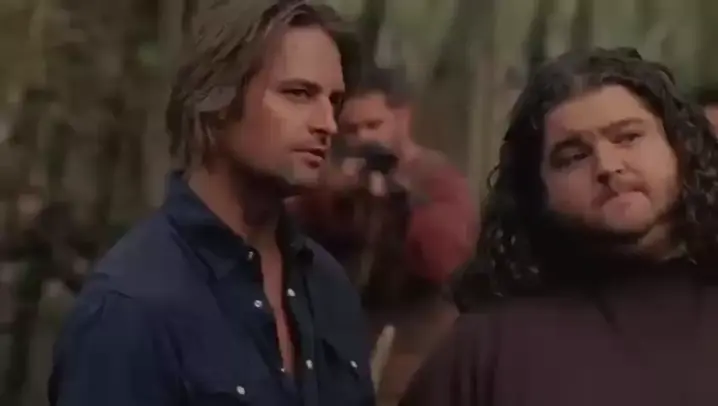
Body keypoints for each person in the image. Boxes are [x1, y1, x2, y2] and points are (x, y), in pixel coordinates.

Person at [48, 1, 375, 405]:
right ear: (218, 100)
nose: (327, 123)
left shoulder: (329, 288)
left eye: (334, 101)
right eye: (298, 93)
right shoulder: (130, 306)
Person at [400, 47, 718, 406]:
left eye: (628, 137)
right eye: (573, 156)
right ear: (538, 190)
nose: (607, 165)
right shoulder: (488, 349)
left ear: (680, 147)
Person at [290, 66, 477, 404]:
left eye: (373, 125)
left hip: (418, 342)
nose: (362, 138)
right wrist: (339, 197)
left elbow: (445, 260)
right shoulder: (335, 180)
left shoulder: (437, 179)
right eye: (351, 129)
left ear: (402, 118)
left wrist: (400, 203)